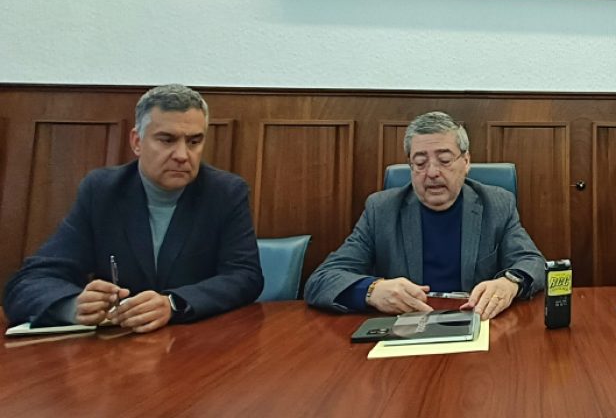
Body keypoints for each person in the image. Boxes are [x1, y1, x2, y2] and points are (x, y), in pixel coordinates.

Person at [3, 85, 264, 331]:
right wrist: (72, 306)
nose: (183, 155)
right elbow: (30, 281)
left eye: (194, 141)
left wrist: (173, 303)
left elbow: (245, 276)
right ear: (137, 142)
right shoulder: (103, 191)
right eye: (167, 140)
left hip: (196, 346)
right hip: (116, 351)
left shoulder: (225, 192)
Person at [304, 111, 545, 320]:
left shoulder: (496, 203)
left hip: (476, 326)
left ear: (466, 161)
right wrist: (371, 290)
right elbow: (322, 280)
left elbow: (532, 262)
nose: (432, 172)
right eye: (420, 162)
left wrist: (509, 283)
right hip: (406, 330)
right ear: (410, 166)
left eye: (444, 160)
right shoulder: (382, 209)